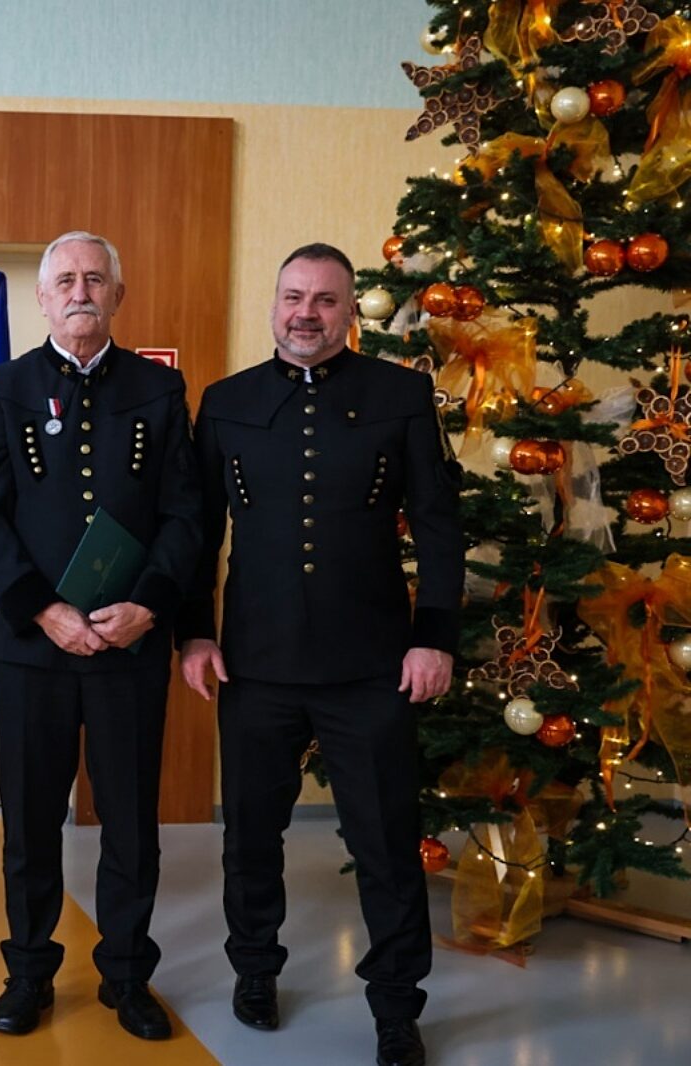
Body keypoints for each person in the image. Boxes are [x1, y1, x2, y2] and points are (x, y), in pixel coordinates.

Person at [177, 243, 461, 1066]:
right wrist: (194, 631)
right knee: (249, 839)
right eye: (293, 296)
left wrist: (434, 637)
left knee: (386, 843)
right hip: (254, 663)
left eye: (326, 299)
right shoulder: (226, 401)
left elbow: (438, 526)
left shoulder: (401, 395)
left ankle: (396, 1007)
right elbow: (199, 532)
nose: (307, 313)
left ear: (350, 310)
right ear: (274, 305)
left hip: (371, 663)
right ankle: (254, 970)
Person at [0, 231, 202, 1041]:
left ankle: (126, 976)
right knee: (30, 823)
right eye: (64, 279)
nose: (80, 291)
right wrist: (42, 609)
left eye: (95, 279)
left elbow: (185, 513)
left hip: (129, 644)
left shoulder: (158, 389)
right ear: (42, 298)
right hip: (32, 648)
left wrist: (149, 607)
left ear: (117, 296)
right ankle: (28, 973)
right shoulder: (3, 387)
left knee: (129, 821)